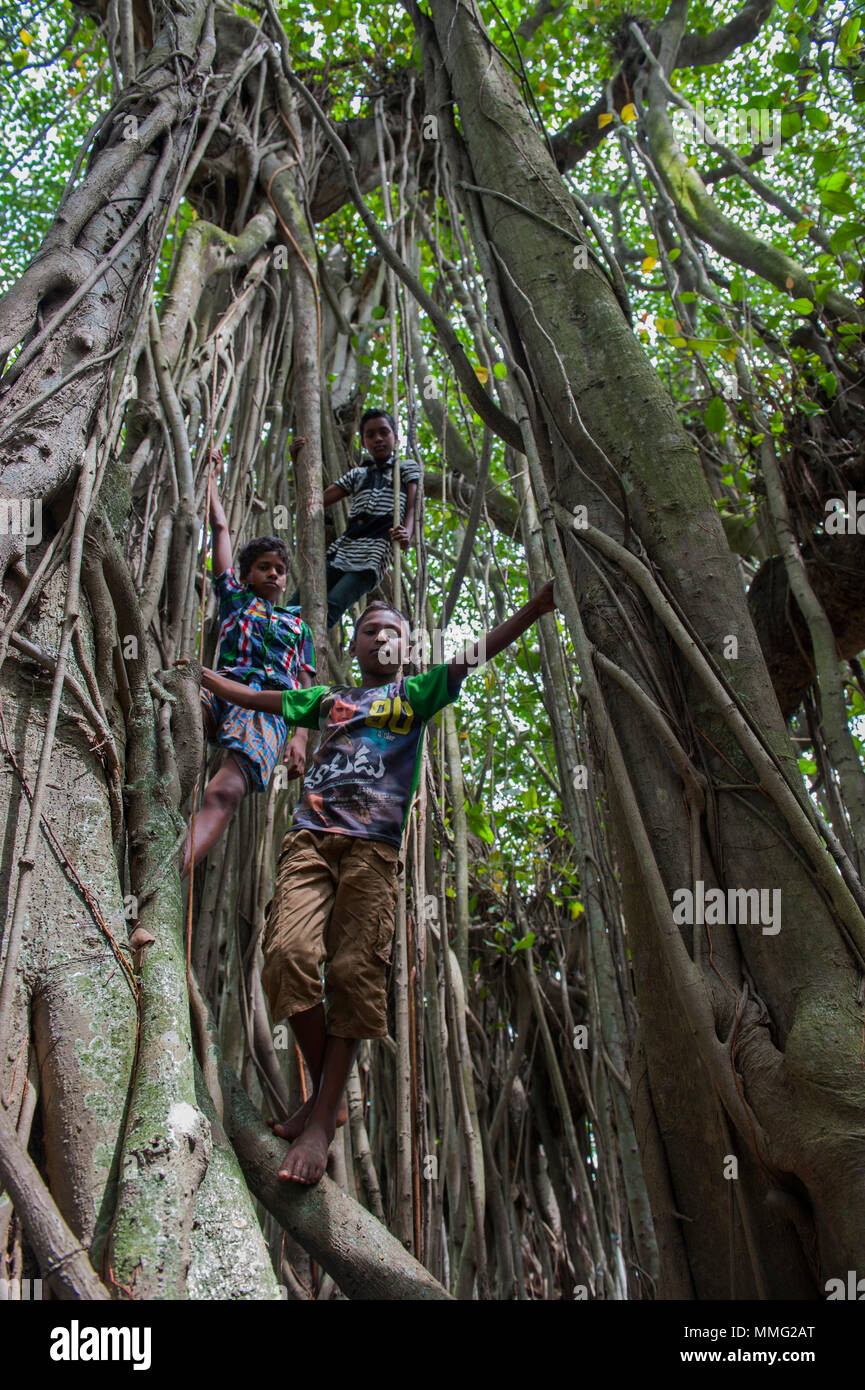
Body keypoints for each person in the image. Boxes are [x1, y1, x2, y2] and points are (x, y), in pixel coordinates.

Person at [197, 579, 558, 1183]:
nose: (382, 636)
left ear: (408, 646)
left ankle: (318, 1124)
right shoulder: (328, 698)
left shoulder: (417, 694)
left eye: (394, 630)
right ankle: (328, 1097)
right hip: (310, 838)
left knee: (351, 975)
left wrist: (534, 607)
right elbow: (264, 700)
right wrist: (211, 682)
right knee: (285, 956)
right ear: (356, 645)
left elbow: (476, 653)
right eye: (371, 629)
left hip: (374, 852)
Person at [182, 478, 316, 876]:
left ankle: (169, 876)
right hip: (218, 689)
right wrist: (210, 479)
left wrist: (301, 738)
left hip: (269, 710)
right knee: (173, 726)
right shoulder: (235, 600)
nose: (273, 574)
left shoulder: (299, 628)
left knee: (224, 791)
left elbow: (305, 687)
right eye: (263, 567)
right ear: (247, 575)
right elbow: (220, 529)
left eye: (279, 569)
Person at [287, 409, 419, 630]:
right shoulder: (358, 474)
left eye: (384, 432)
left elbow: (413, 506)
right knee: (295, 603)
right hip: (341, 550)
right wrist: (297, 462)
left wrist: (407, 533)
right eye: (370, 435)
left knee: (332, 606)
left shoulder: (405, 468)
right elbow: (315, 499)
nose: (377, 438)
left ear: (395, 437)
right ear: (364, 442)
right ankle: (275, 646)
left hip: (372, 556)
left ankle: (300, 657)